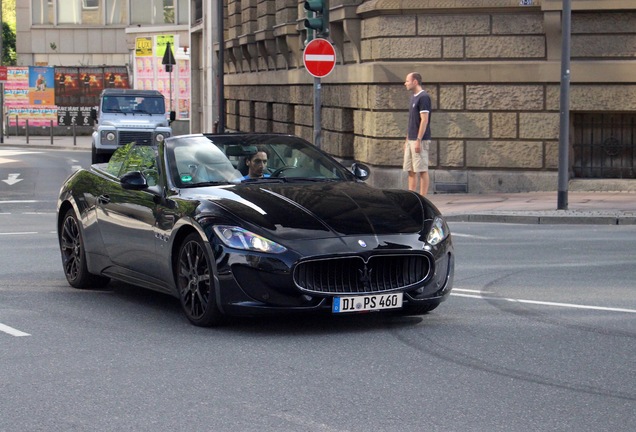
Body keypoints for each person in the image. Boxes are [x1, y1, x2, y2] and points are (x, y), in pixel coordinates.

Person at [403, 72, 432, 196]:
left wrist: (418, 140)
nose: (405, 83)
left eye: (407, 81)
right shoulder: (413, 97)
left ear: (415, 82)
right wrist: (407, 140)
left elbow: (424, 120)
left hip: (420, 139)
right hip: (411, 139)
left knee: (421, 169)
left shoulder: (423, 97)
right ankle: (412, 196)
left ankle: (422, 198)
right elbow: (412, 121)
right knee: (410, 169)